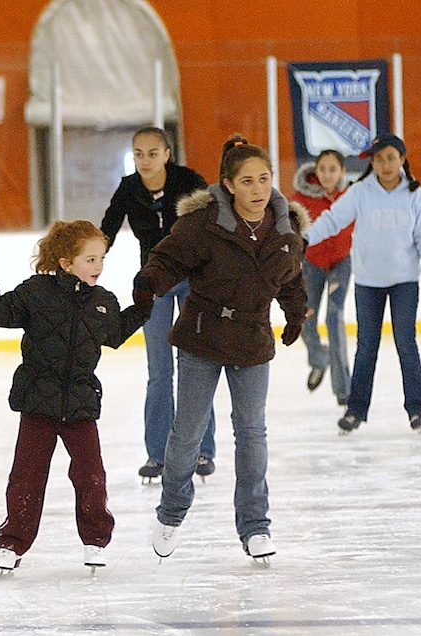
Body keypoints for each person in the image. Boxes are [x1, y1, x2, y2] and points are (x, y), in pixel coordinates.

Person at [137, 134, 309, 565]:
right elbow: (168, 259)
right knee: (187, 433)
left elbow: (290, 278)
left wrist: (295, 314)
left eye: (264, 180)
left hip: (251, 340)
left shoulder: (285, 231)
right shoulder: (204, 223)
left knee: (252, 434)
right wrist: (149, 283)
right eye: (247, 181)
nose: (257, 190)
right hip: (202, 337)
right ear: (228, 185)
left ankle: (255, 527)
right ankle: (172, 512)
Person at [0, 220, 148, 574]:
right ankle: (12, 543)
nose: (98, 267)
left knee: (91, 475)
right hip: (38, 400)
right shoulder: (37, 292)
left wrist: (143, 306)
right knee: (27, 475)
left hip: (81, 403)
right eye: (90, 259)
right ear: (66, 262)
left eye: (101, 259)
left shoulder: (103, 302)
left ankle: (96, 540)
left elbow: (114, 335)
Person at [100, 127, 217, 484]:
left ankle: (202, 449)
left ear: (167, 154)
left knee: (195, 364)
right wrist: (87, 259)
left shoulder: (189, 181)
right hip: (153, 282)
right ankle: (157, 454)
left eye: (152, 153)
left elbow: (213, 222)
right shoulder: (129, 188)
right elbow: (106, 230)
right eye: (139, 154)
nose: (145, 161)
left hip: (194, 279)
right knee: (159, 371)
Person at [304, 134, 421, 434]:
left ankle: (419, 411)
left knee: (406, 345)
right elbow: (332, 220)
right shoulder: (360, 192)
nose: (385, 164)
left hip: (405, 282)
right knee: (366, 347)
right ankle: (355, 411)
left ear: (402, 159)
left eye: (391, 157)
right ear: (372, 163)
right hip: (369, 283)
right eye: (379, 159)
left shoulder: (416, 196)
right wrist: (306, 238)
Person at [291, 150, 352, 404]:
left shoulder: (350, 198)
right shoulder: (299, 199)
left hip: (340, 263)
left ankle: (343, 390)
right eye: (323, 169)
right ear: (315, 170)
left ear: (342, 172)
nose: (327, 175)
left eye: (333, 169)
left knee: (334, 319)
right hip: (312, 264)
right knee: (304, 317)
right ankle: (318, 359)